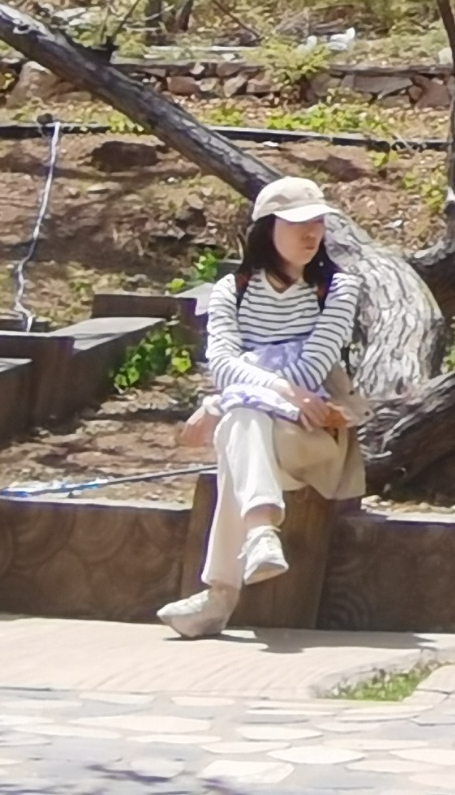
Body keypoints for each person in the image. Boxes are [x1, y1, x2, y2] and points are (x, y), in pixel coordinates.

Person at [158, 175, 369, 639]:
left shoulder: (338, 289)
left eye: (317, 222)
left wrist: (223, 401)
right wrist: (266, 389)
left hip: (311, 436)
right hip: (259, 433)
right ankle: (259, 536)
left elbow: (311, 370)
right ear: (266, 228)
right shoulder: (230, 291)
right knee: (243, 422)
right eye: (296, 224)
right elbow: (222, 365)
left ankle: (221, 593)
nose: (311, 233)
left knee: (236, 423)